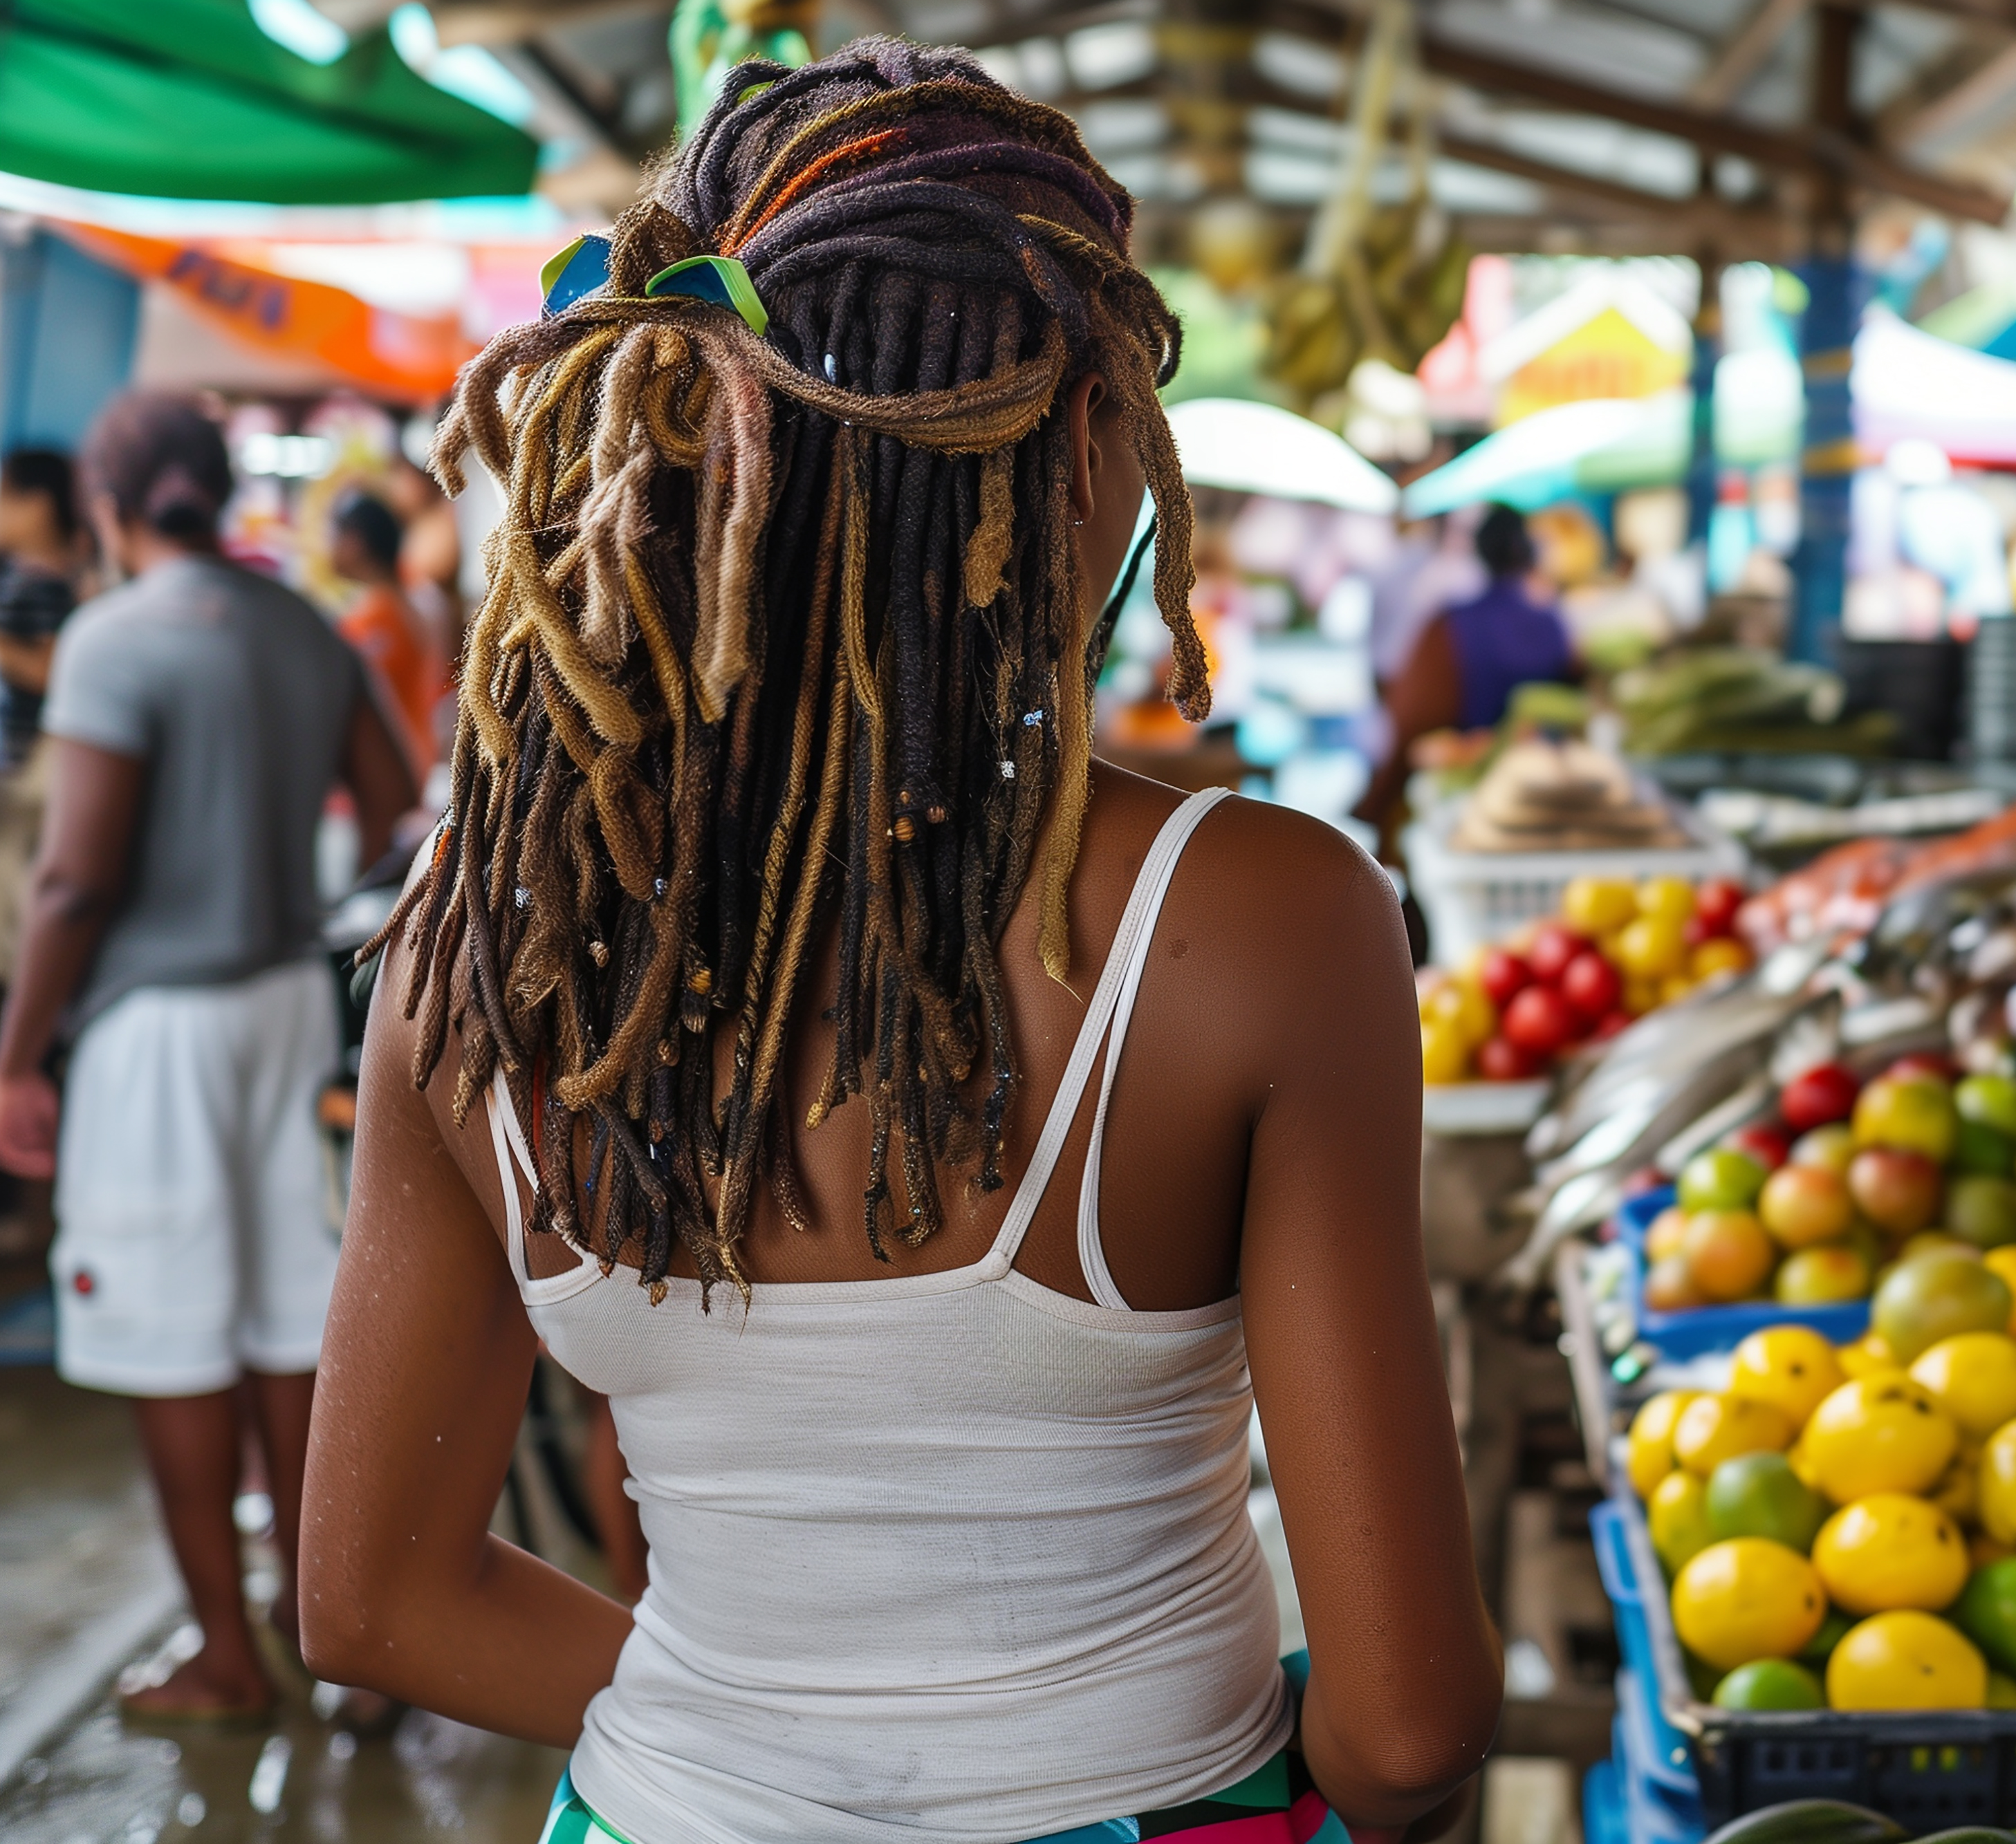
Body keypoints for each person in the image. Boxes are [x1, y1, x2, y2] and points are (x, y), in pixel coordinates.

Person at [297, 42, 1498, 1844]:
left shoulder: (478, 946)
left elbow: (375, 1596)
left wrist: (772, 1750)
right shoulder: (1267, 917)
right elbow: (1408, 1732)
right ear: (1077, 438)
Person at [0, 393, 417, 1720]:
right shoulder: (302, 625)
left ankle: (228, 1659)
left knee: (172, 1334)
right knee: (291, 1318)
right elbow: (398, 800)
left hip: (151, 1031)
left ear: (113, 512)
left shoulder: (112, 639)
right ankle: (325, 1628)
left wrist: (16, 1057)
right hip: (286, 1004)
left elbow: (70, 880)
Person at [1354, 503, 1573, 834]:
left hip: (1464, 792)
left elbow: (1413, 714)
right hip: (1544, 789)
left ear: (1480, 553)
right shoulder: (1553, 625)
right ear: (1530, 553)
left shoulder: (1452, 624)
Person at [0, 449, 83, 982]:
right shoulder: (24, 577)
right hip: (21, 763)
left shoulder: (48, 585)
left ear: (40, 506)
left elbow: (52, 672)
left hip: (33, 768)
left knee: (15, 899)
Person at [330, 490, 444, 770]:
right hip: (418, 760)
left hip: (391, 772)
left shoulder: (372, 619)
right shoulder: (412, 599)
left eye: (333, 535)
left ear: (354, 542)